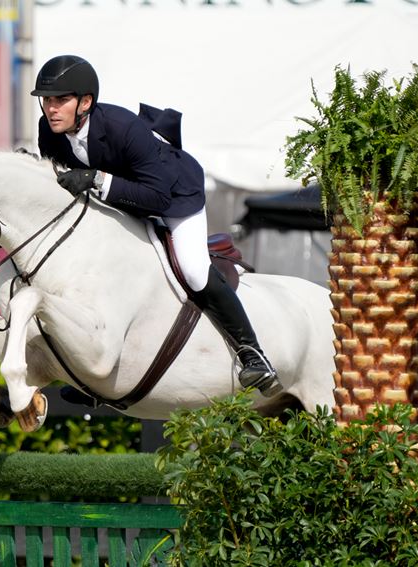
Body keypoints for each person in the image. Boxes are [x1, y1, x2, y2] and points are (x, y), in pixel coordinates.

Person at [30, 54, 282, 405]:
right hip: (119, 200)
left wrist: (96, 179)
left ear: (85, 102)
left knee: (193, 271)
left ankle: (253, 355)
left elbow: (157, 196)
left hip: (173, 196)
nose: (51, 109)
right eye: (47, 101)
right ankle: (97, 376)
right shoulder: (50, 132)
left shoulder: (122, 127)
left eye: (61, 100)